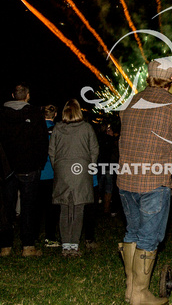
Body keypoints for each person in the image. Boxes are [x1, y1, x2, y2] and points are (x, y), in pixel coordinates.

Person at [117, 58, 172, 305]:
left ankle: (130, 289)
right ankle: (139, 293)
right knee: (148, 237)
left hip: (126, 177)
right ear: (171, 79)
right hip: (154, 180)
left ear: (148, 76)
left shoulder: (131, 102)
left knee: (132, 231)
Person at [0, 83, 48, 257]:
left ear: (13, 95)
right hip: (29, 167)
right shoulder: (34, 114)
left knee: (6, 206)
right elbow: (43, 141)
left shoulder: (2, 114)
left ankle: (5, 246)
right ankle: (28, 246)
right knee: (28, 205)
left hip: (5, 169)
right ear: (27, 96)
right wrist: (39, 163)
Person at [49, 99, 99, 257]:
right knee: (78, 209)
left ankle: (65, 245)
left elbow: (52, 151)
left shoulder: (58, 128)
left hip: (62, 171)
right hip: (81, 171)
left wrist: (57, 166)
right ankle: (74, 245)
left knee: (64, 209)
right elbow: (94, 150)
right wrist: (89, 166)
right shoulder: (86, 128)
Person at [38, 104, 61, 247]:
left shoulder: (36, 128)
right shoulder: (58, 130)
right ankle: (50, 236)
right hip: (53, 173)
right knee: (52, 207)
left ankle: (33, 236)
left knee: (35, 206)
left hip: (38, 173)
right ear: (55, 114)